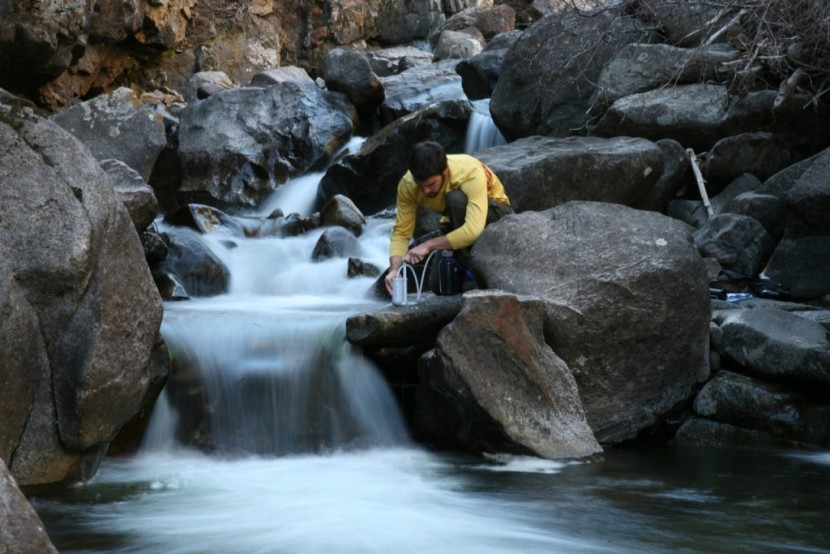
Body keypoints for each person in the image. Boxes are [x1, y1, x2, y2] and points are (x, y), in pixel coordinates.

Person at [384, 141, 513, 296]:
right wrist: (394, 270)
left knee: (455, 199)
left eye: (431, 184)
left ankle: (474, 270)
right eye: (420, 185)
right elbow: (401, 232)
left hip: (498, 219)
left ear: (444, 172)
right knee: (439, 286)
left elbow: (473, 230)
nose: (425, 190)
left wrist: (428, 245)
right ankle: (465, 272)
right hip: (457, 222)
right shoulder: (408, 184)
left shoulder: (469, 171)